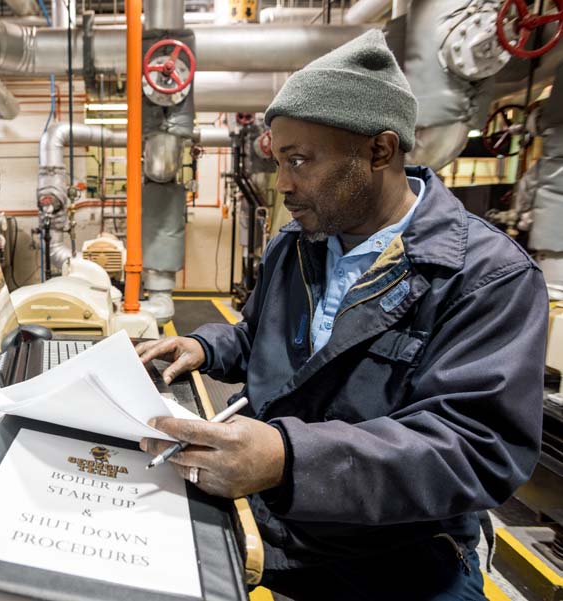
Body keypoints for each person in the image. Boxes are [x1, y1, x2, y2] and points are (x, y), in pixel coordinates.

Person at [136, 29, 547, 601]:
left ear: (379, 151)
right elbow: (262, 337)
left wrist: (288, 458)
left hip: (400, 562)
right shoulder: (297, 245)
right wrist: (206, 348)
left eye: (300, 160)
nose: (283, 185)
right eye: (279, 161)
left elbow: (477, 450)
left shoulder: (486, 277)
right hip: (282, 532)